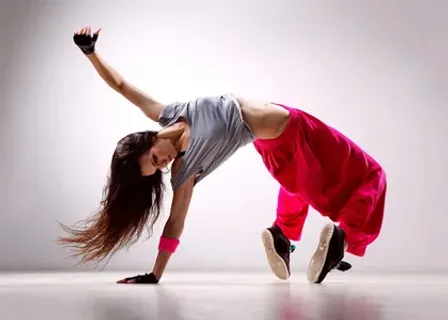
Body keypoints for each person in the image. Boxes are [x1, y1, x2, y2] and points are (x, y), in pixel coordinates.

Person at [58, 26, 387, 285]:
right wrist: (156, 273)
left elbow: (121, 85)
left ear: (147, 142)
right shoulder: (185, 172)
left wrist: (91, 53)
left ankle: (283, 238)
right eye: (158, 169)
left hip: (274, 148)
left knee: (298, 187)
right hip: (294, 129)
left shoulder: (165, 113)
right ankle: (341, 240)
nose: (164, 164)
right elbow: (175, 222)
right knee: (372, 174)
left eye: (156, 159)